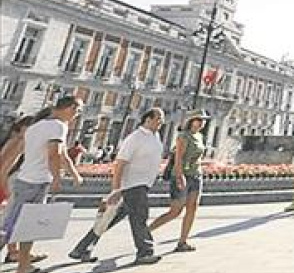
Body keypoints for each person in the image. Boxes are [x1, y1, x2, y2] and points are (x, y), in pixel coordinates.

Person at [68, 108, 165, 266]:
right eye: (158, 118)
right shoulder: (135, 138)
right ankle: (145, 252)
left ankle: (81, 249)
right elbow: (120, 164)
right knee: (139, 217)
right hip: (132, 185)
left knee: (109, 219)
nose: (161, 121)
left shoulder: (156, 137)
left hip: (143, 184)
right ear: (147, 119)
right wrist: (116, 190)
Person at [1, 97, 83, 273]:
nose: (76, 115)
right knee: (12, 226)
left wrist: (74, 174)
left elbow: (61, 155)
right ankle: (23, 266)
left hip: (27, 179)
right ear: (70, 108)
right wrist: (57, 178)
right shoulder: (58, 126)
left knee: (26, 226)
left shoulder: (36, 126)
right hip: (36, 182)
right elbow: (55, 154)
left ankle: (23, 266)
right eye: (77, 111)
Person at [149, 109, 208, 252]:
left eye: (204, 120)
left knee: (192, 208)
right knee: (175, 211)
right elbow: (178, 158)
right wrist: (180, 176)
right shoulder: (183, 136)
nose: (202, 122)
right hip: (182, 175)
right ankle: (145, 232)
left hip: (196, 175)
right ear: (191, 121)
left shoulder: (200, 136)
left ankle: (182, 241)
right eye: (198, 119)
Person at [0, 116, 44, 266]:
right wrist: (5, 190)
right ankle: (14, 252)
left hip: (9, 181)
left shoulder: (16, 139)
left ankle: (13, 252)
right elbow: (4, 167)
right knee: (10, 220)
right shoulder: (19, 141)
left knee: (12, 220)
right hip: (8, 182)